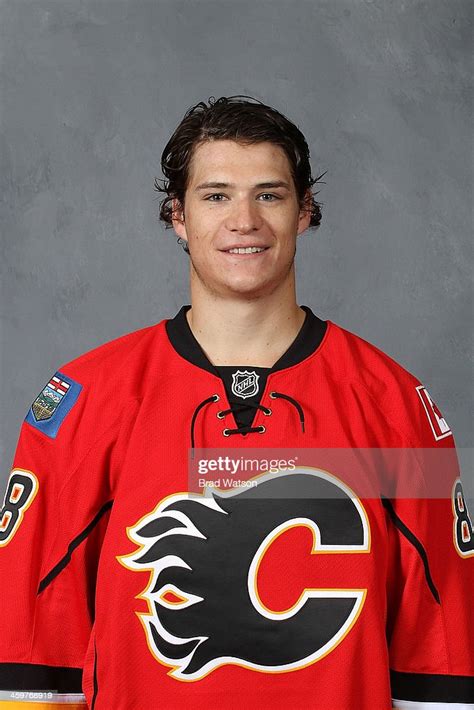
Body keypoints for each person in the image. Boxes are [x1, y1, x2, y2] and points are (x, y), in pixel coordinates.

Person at [0, 95, 472, 710]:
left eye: (269, 195)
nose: (243, 220)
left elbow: (442, 650)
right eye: (216, 195)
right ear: (178, 216)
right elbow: (34, 646)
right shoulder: (83, 399)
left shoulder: (399, 404)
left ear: (305, 211)